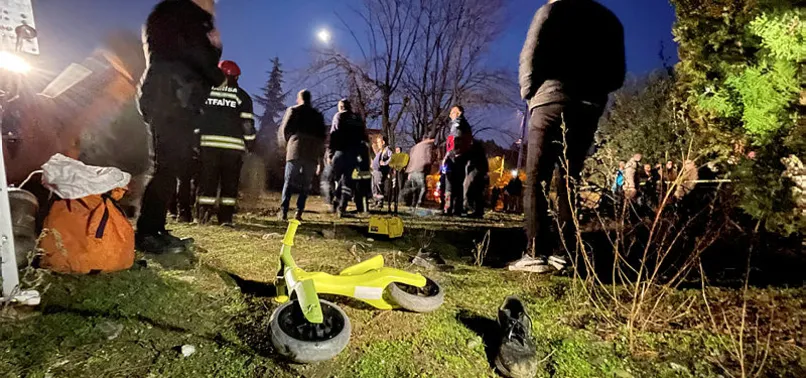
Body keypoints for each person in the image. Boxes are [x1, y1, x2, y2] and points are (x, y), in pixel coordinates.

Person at [518, 0, 625, 267]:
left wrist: (530, 93)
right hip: (588, 106)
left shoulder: (551, 10)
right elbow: (617, 75)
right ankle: (565, 252)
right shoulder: (609, 19)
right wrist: (594, 92)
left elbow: (530, 53)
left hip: (551, 98)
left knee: (537, 179)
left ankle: (535, 252)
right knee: (569, 179)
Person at [136, 0, 226, 254]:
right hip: (171, 99)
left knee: (171, 167)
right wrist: (215, 50)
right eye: (212, 2)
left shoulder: (174, 14)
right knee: (166, 168)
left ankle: (156, 229)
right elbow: (198, 59)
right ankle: (147, 233)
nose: (214, 6)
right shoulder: (181, 14)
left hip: (175, 99)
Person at [196, 60, 256, 226]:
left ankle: (203, 217)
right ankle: (226, 219)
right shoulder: (241, 96)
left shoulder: (205, 93)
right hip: (233, 149)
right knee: (229, 184)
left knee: (207, 181)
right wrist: (250, 143)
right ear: (236, 77)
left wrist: (195, 139)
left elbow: (196, 118)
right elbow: (247, 124)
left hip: (208, 146)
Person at [278, 90, 327, 221]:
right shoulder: (317, 115)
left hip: (296, 148)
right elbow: (322, 137)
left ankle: (284, 211)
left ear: (300, 99)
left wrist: (286, 145)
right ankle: (299, 212)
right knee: (306, 184)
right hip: (312, 152)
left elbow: (285, 130)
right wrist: (321, 158)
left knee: (288, 181)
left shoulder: (293, 110)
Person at [328, 99, 369, 217]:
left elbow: (334, 134)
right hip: (354, 153)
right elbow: (364, 137)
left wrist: (330, 153)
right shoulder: (357, 119)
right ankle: (341, 206)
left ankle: (336, 201)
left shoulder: (339, 116)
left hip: (341, 152)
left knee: (333, 177)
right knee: (347, 181)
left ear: (341, 107)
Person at [443, 105, 474, 216]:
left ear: (459, 113)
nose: (450, 114)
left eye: (453, 112)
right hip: (461, 157)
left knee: (450, 183)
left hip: (455, 158)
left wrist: (448, 156)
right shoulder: (465, 125)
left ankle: (449, 208)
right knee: (458, 184)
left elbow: (455, 140)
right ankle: (457, 209)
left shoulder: (458, 124)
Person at [400, 135, 435, 209]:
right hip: (420, 170)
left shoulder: (414, 147)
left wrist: (408, 171)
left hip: (411, 171)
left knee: (415, 189)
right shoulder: (427, 146)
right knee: (423, 188)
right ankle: (419, 203)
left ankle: (413, 203)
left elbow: (410, 159)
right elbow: (428, 158)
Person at [371, 137, 393, 207]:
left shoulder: (387, 149)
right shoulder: (380, 151)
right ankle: (376, 201)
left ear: (383, 142)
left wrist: (385, 163)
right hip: (374, 171)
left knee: (378, 187)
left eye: (379, 142)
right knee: (374, 187)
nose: (378, 144)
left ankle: (380, 203)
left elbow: (392, 157)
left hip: (380, 171)